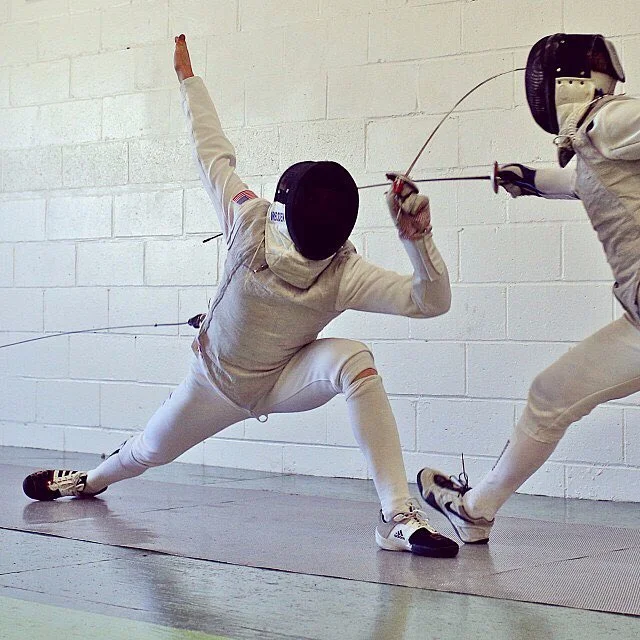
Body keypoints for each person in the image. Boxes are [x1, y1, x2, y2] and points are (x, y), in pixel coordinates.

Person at [22, 35, 459, 558]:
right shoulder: (322, 258)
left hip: (280, 378)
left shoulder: (261, 223)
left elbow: (212, 151)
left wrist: (189, 81)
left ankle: (396, 516)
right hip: (215, 384)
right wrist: (418, 240)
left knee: (354, 362)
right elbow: (430, 301)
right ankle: (88, 483)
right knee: (150, 448)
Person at [417, 33, 638, 544]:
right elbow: (584, 182)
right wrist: (527, 179)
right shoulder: (597, 140)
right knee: (550, 395)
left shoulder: (609, 120)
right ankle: (475, 510)